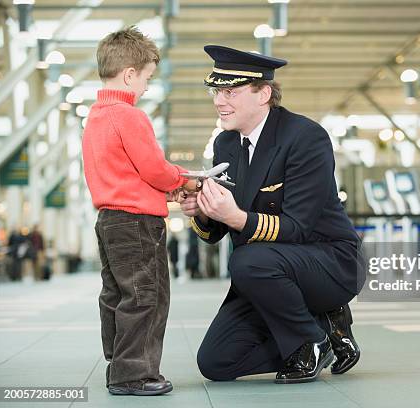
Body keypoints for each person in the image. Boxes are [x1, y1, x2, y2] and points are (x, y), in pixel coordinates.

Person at [180, 45, 365, 384]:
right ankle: (322, 327)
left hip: (330, 262)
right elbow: (216, 233)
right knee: (216, 362)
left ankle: (309, 340)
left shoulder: (305, 138)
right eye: (216, 91)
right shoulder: (226, 144)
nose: (219, 101)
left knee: (247, 261)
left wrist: (235, 217)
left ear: (263, 93)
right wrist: (204, 212)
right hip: (268, 273)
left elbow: (297, 227)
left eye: (230, 91)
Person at [82, 26, 197, 396]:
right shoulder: (129, 116)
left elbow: (124, 177)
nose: (146, 87)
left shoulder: (95, 117)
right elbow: (152, 168)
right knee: (146, 295)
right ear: (130, 74)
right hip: (137, 225)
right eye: (146, 78)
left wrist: (164, 196)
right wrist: (184, 179)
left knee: (117, 294)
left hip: (110, 220)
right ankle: (134, 376)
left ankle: (118, 364)